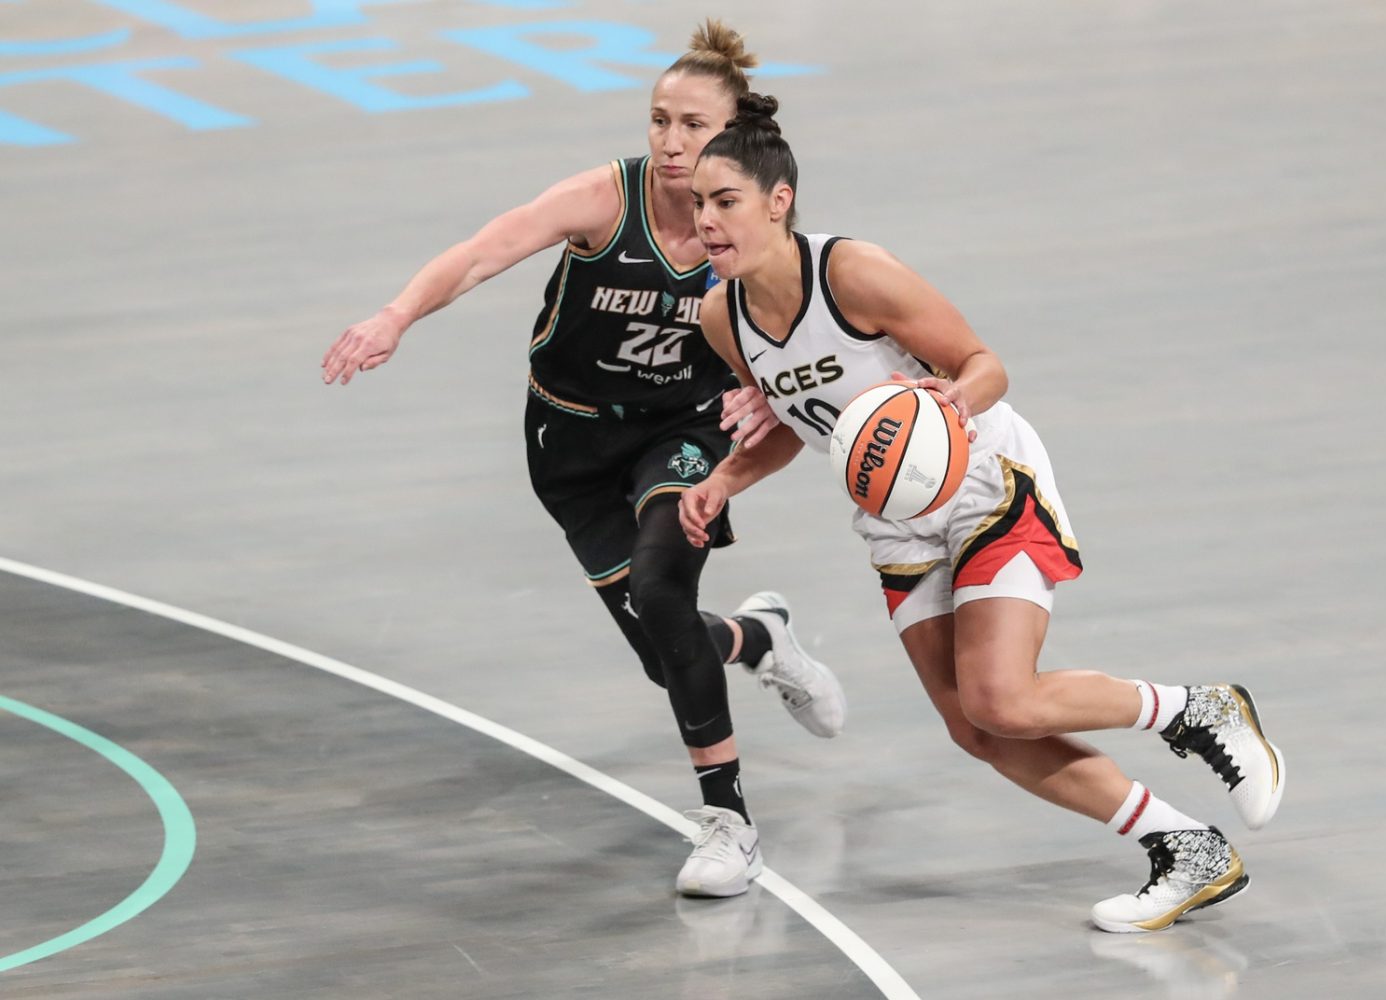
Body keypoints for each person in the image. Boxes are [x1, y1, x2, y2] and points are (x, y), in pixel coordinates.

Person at [678, 93, 1287, 932]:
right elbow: (806, 421)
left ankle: (1197, 709)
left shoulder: (852, 272)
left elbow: (984, 361)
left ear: (778, 201)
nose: (706, 220)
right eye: (698, 204)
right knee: (977, 727)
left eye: (725, 201)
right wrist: (724, 481)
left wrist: (953, 400)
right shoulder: (723, 317)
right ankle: (1187, 848)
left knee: (1002, 697)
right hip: (893, 516)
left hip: (981, 477)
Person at [320, 22, 847, 899]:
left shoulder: (748, 226)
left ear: (733, 133)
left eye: (692, 125)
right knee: (663, 648)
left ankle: (730, 825)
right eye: (658, 121)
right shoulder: (607, 199)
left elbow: (797, 324)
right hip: (568, 444)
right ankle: (761, 639)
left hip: (679, 432)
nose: (672, 142)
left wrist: (765, 387)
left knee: (662, 589)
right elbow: (484, 250)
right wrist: (395, 315)